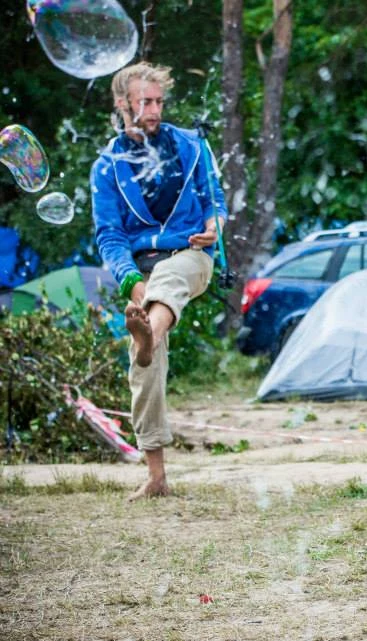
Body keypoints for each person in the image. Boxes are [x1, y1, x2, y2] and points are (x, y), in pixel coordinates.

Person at [91, 62, 226, 501]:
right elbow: (110, 237)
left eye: (159, 101)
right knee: (144, 364)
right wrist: (131, 281)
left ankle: (149, 330)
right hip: (142, 272)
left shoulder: (191, 145)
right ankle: (156, 476)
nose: (154, 110)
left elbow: (216, 202)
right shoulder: (107, 166)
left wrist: (214, 227)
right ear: (122, 104)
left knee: (167, 279)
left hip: (191, 256)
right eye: (145, 102)